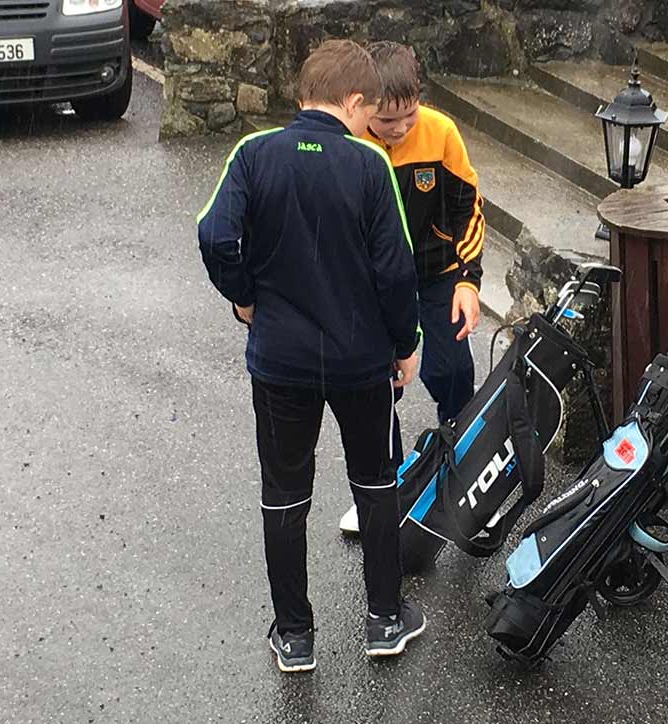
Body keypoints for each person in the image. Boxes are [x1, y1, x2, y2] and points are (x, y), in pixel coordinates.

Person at [197, 39, 426, 673]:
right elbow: (396, 272)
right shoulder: (369, 165)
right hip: (361, 364)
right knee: (377, 486)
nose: (370, 124)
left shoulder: (252, 154)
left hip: (281, 363)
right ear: (353, 102)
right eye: (368, 111)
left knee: (285, 494)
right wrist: (405, 347)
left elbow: (214, 234)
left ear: (302, 96)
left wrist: (244, 298)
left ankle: (295, 634)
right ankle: (384, 620)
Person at [339, 40, 487, 536]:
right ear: (362, 108)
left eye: (409, 115)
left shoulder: (441, 132)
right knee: (377, 391)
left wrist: (468, 279)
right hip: (374, 285)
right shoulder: (352, 145)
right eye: (387, 122)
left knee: (453, 372)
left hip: (439, 273)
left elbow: (469, 207)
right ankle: (384, 491)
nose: (400, 129)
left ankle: (461, 475)